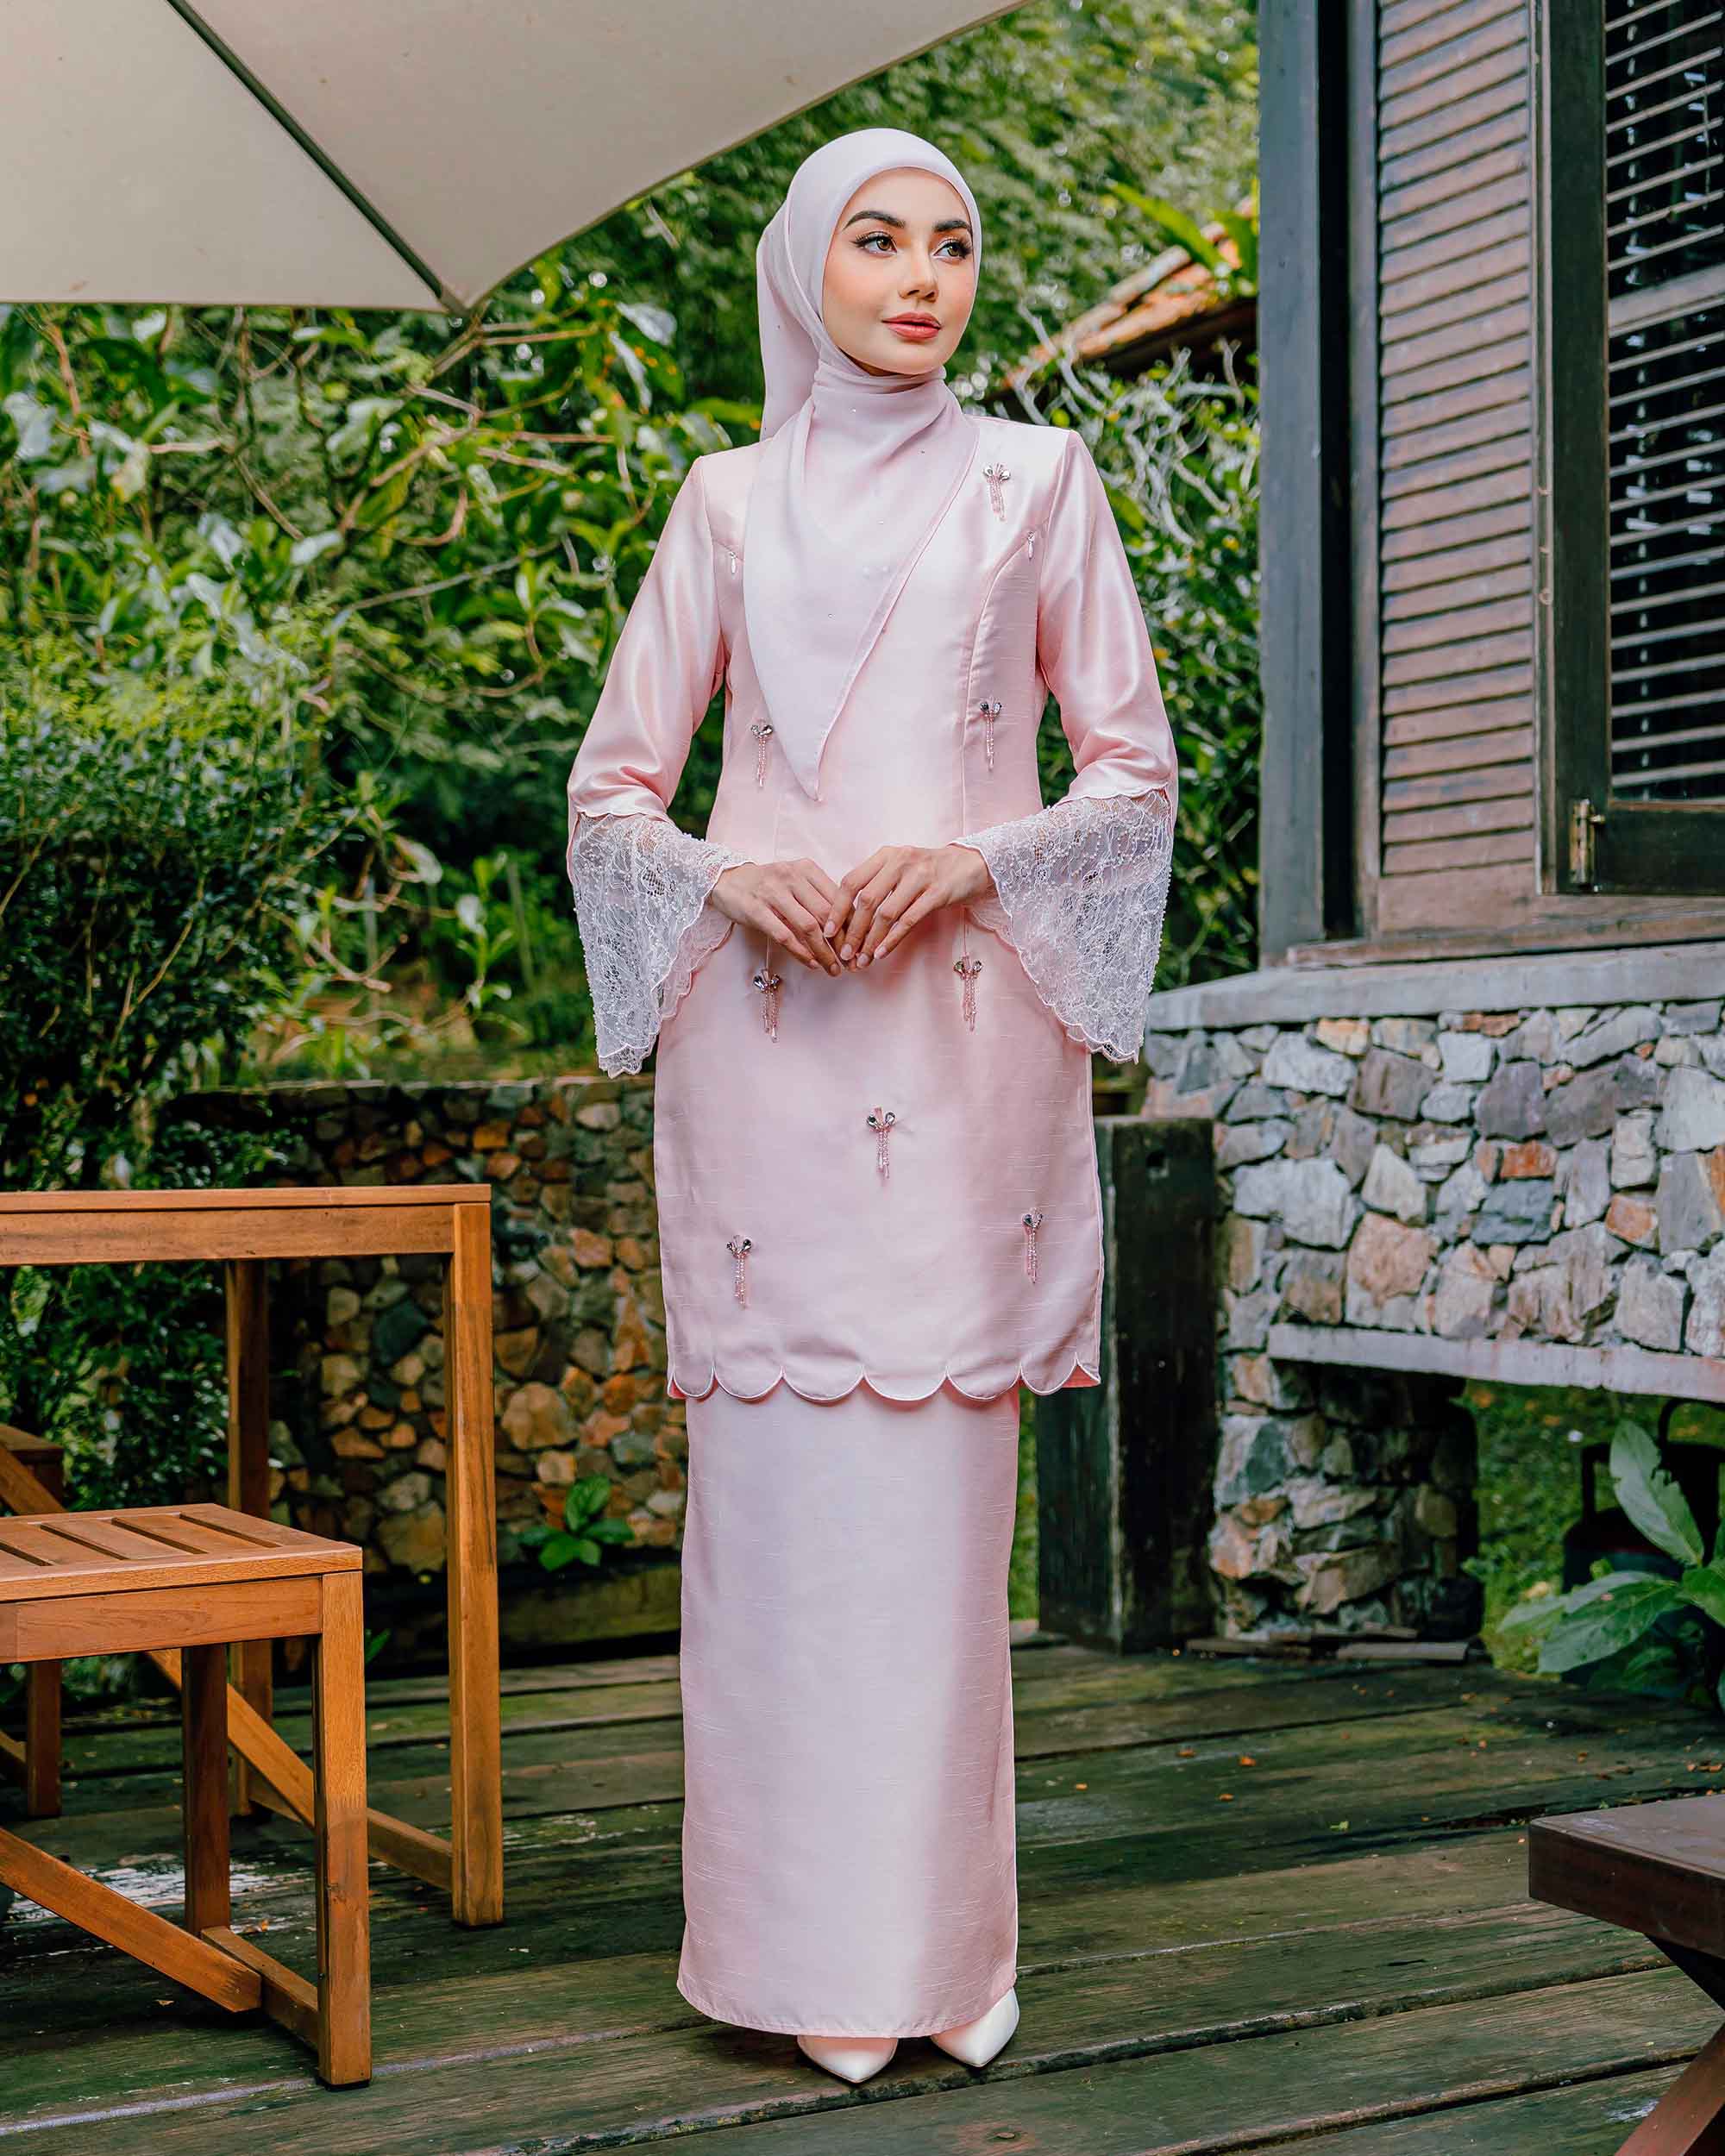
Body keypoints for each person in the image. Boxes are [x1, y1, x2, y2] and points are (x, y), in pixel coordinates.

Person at [564, 126, 1177, 2084]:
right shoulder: (726, 502)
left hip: (958, 1049)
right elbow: (611, 796)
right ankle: (793, 1956)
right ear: (803, 272)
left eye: (953, 244)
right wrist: (731, 877)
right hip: (767, 1059)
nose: (921, 278)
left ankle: (939, 1952)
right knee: (781, 1521)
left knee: (931, 1520)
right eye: (879, 241)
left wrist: (972, 857)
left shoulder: (1037, 483)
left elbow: (1131, 776)